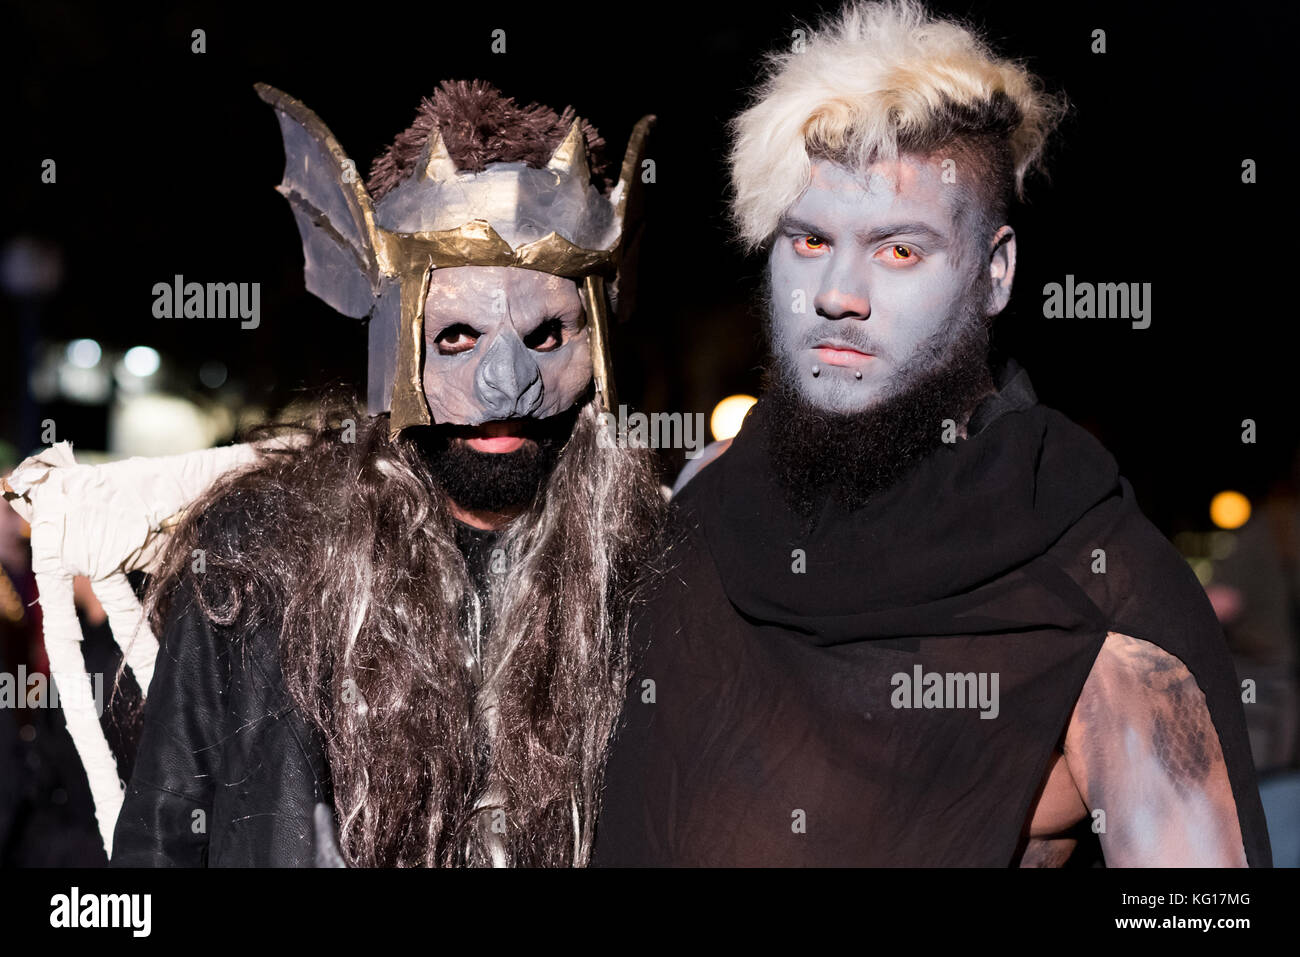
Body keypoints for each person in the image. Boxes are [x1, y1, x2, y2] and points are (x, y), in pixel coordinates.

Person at [593, 0, 1271, 867]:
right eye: (808, 239)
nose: (839, 291)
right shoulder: (698, 506)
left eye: (899, 250)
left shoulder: (1096, 586)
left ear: (995, 274)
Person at [105, 79, 664, 866]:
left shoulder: (652, 570)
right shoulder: (257, 563)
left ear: (598, 337)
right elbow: (155, 849)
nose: (508, 388)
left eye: (545, 336)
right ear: (392, 337)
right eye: (459, 336)